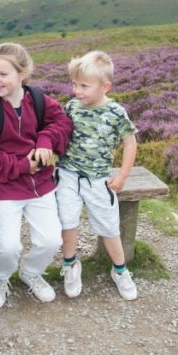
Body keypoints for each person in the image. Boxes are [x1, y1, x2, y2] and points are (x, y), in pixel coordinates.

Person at [0, 42, 73, 308]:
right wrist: (22, 166)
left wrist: (46, 141)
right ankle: (0, 278)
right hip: (2, 186)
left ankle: (31, 273)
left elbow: (61, 122)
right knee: (8, 246)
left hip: (41, 184)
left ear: (22, 74)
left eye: (3, 74)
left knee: (51, 240)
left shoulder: (38, 99)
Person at [55, 50, 139, 301]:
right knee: (67, 221)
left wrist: (122, 176)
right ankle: (71, 265)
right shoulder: (71, 107)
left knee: (109, 226)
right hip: (68, 175)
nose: (77, 91)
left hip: (99, 179)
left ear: (105, 86)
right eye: (74, 84)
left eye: (84, 86)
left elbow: (130, 143)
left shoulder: (116, 112)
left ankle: (121, 271)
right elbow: (59, 135)